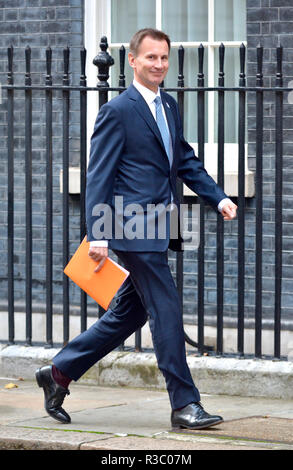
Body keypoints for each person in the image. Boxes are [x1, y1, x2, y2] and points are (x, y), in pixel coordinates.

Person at [35, 28, 237, 430]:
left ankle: (58, 373)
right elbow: (99, 176)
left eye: (163, 58)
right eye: (151, 58)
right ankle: (184, 403)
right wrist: (98, 233)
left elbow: (184, 161)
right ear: (132, 60)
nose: (159, 65)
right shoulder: (118, 110)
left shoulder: (169, 106)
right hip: (128, 227)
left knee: (130, 314)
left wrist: (218, 197)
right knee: (166, 307)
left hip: (160, 224)